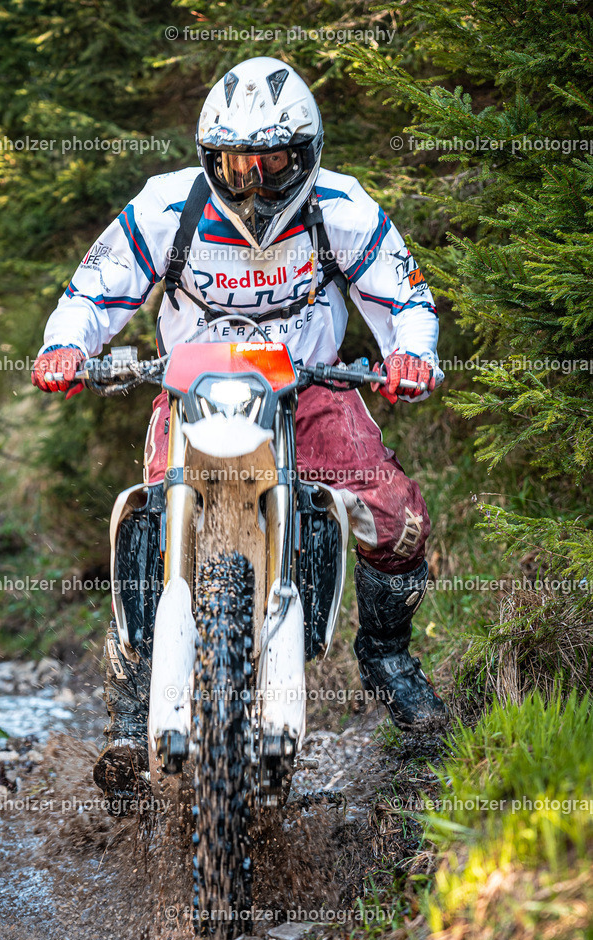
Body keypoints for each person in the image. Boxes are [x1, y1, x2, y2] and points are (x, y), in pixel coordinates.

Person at [32, 56, 448, 810]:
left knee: (395, 518)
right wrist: (66, 345)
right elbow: (93, 289)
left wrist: (410, 356)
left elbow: (405, 298)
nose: (252, 180)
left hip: (309, 389)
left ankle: (387, 658)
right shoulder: (167, 206)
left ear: (306, 154)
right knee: (149, 513)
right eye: (233, 162)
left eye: (272, 161)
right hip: (193, 391)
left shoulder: (341, 207)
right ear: (208, 157)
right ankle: (133, 699)